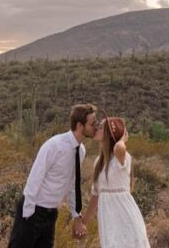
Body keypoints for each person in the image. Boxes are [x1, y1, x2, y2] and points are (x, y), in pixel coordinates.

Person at [9, 103, 98, 247]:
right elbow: (35, 177)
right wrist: (28, 214)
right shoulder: (55, 145)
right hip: (32, 210)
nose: (96, 126)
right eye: (93, 123)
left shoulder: (80, 151)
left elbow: (72, 185)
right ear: (80, 126)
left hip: (50, 215)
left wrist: (76, 215)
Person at [81, 116, 150, 247]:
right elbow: (95, 197)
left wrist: (122, 139)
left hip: (125, 215)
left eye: (101, 127)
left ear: (109, 134)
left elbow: (119, 147)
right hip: (108, 219)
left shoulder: (121, 157)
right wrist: (83, 223)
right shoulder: (98, 163)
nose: (96, 128)